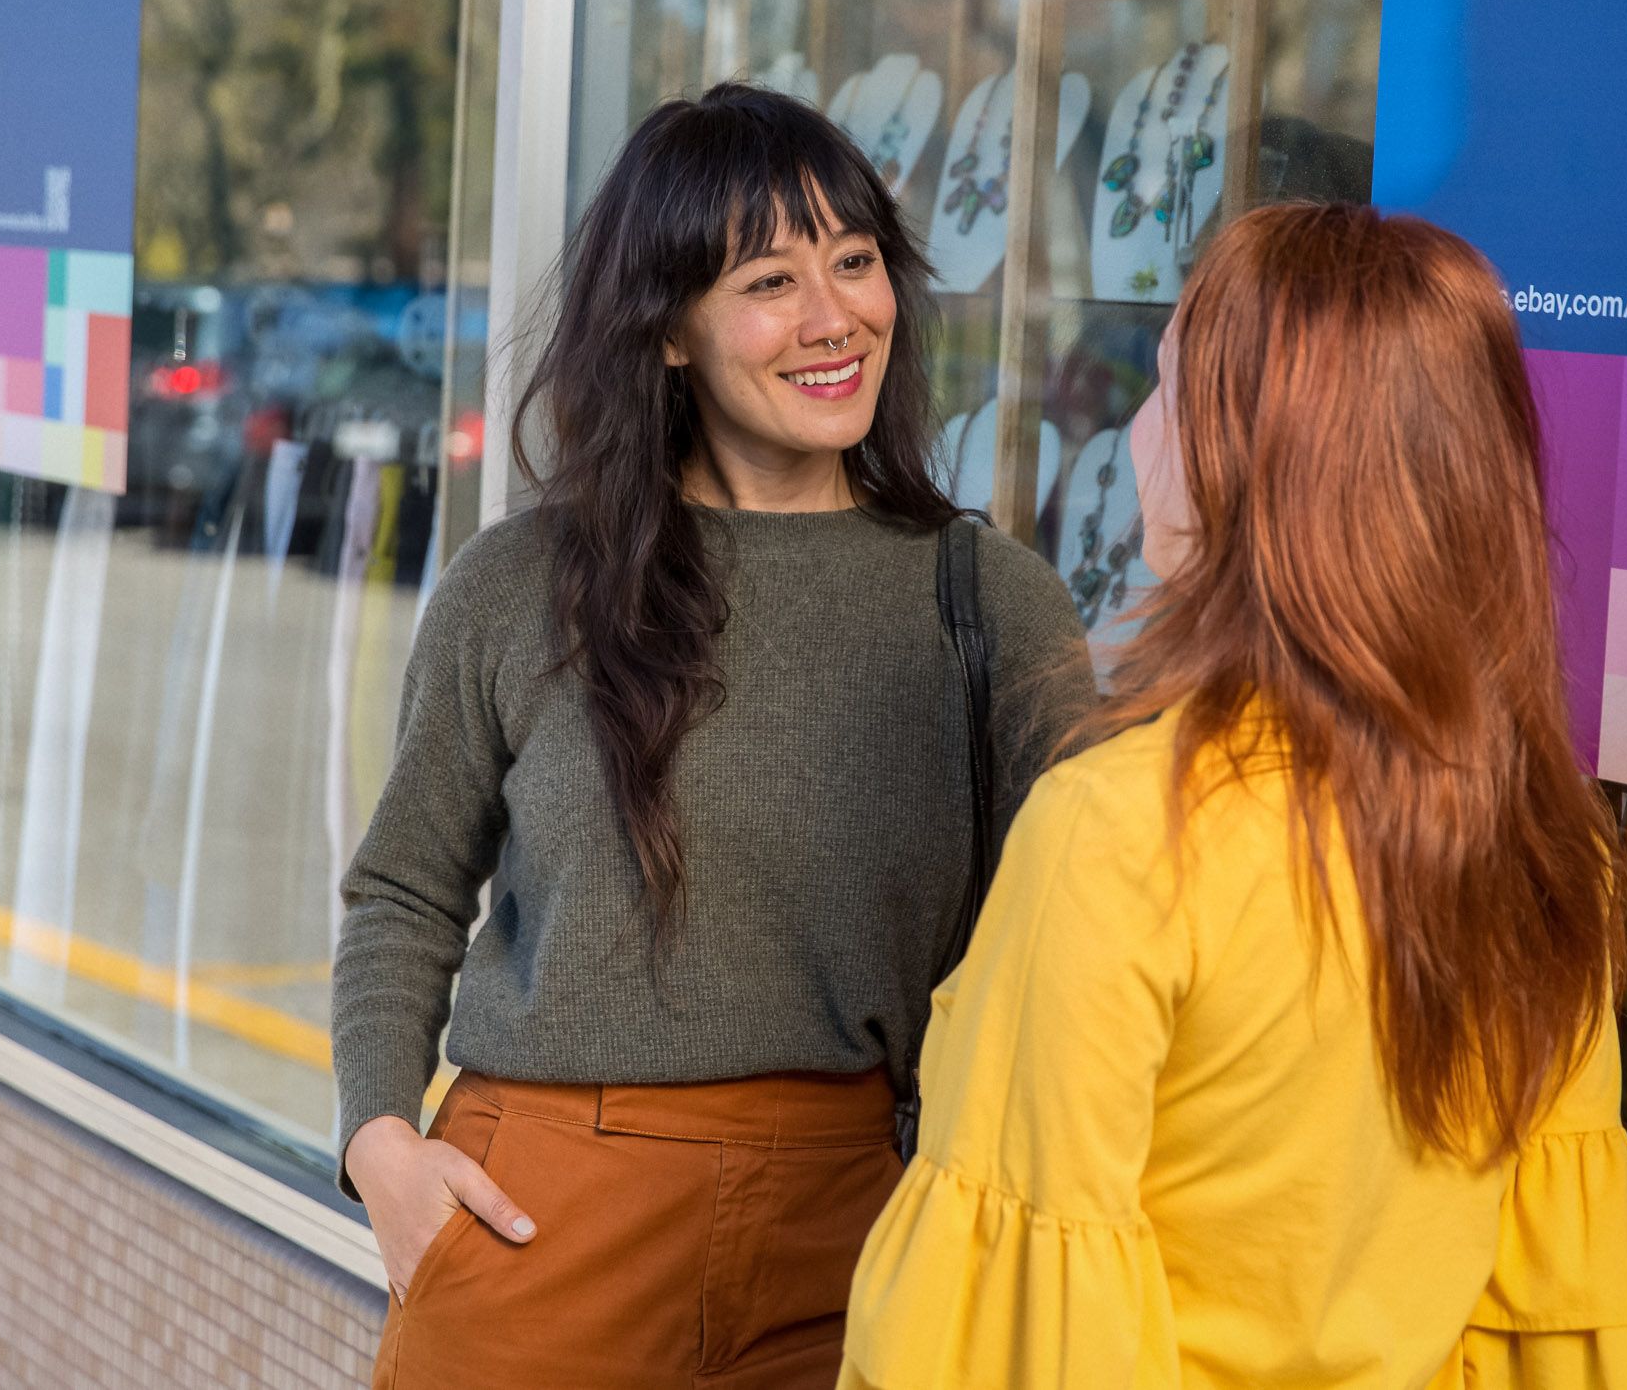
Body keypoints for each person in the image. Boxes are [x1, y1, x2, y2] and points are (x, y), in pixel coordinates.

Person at [332, 82, 1094, 1390]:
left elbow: (1094, 919)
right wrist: (378, 1147)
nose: (832, 316)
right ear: (669, 331)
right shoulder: (525, 585)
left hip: (860, 1221)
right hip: (546, 1215)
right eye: (767, 280)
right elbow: (402, 889)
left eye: (853, 263)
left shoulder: (984, 601)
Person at [838, 203, 1627, 1389]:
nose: (1132, 435)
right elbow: (1546, 1311)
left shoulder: (1120, 835)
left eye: (1168, 388)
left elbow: (1015, 1342)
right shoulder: (1541, 839)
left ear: (1259, 467)